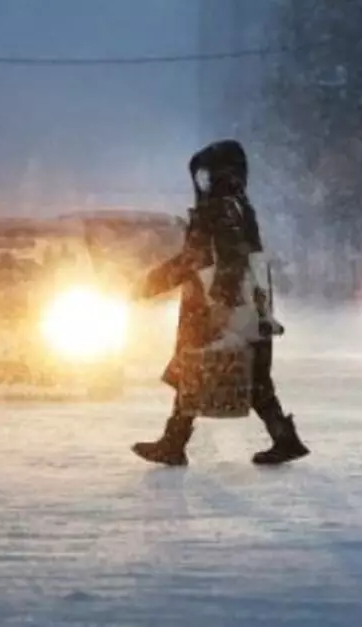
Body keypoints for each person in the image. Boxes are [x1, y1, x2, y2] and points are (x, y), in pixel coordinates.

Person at [130, 139, 310, 467]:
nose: (203, 182)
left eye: (205, 174)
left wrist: (151, 285)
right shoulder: (241, 206)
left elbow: (209, 260)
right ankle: (282, 437)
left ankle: (174, 442)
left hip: (218, 306)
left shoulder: (219, 208)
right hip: (250, 307)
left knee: (196, 368)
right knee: (249, 377)